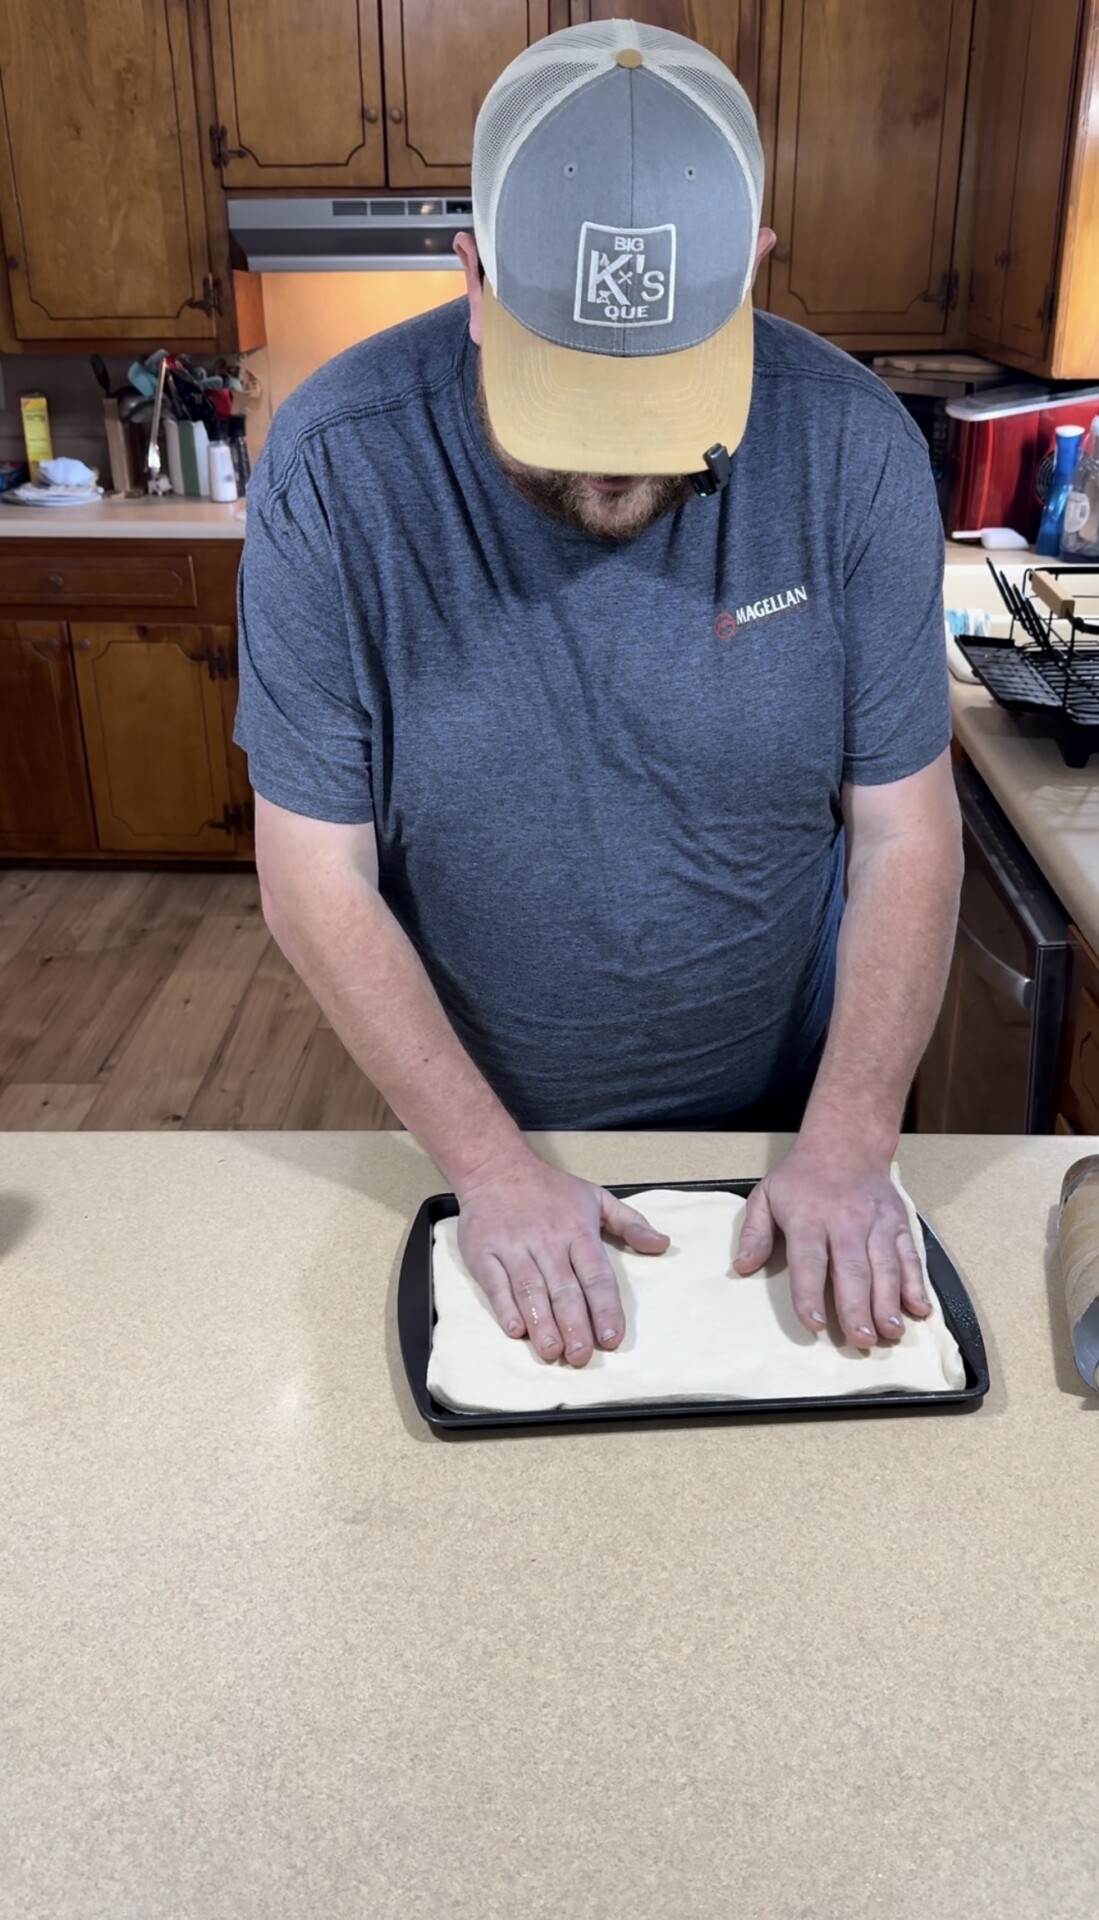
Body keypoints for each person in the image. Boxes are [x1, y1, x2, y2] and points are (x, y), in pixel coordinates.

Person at [234, 21, 963, 1372]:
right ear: (470, 276)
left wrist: (853, 1140)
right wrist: (488, 1166)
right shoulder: (336, 470)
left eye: (666, 390)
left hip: (786, 1118)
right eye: (571, 392)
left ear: (751, 274)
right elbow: (312, 874)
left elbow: (906, 829)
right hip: (473, 1116)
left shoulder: (855, 446)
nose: (620, 474)